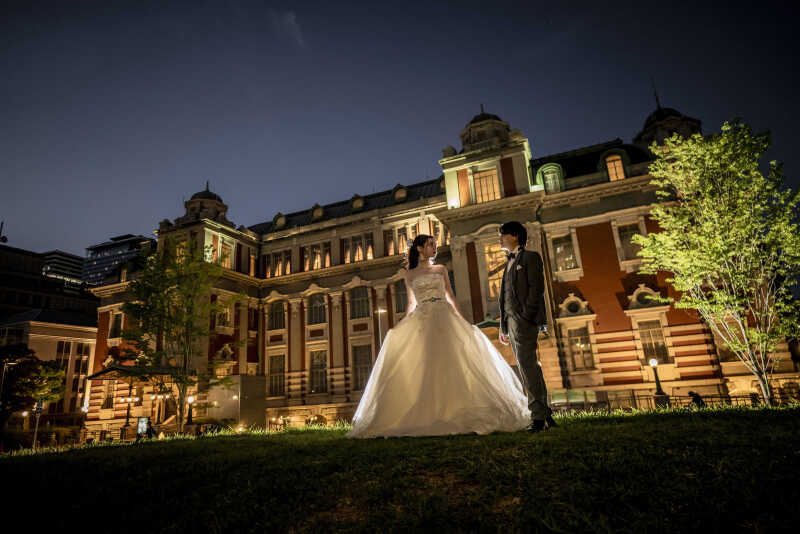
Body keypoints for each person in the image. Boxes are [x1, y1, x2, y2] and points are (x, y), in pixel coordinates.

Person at [347, 234, 531, 438]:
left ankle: (459, 408)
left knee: (454, 361)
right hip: (423, 320)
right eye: (430, 245)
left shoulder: (441, 269)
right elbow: (411, 304)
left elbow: (450, 296)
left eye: (435, 245)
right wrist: (399, 326)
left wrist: (464, 321)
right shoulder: (409, 275)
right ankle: (429, 413)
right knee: (427, 363)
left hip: (445, 316)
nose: (435, 248)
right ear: (419, 248)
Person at [498, 221, 556, 433]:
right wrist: (503, 326)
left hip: (523, 320)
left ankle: (538, 418)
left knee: (528, 367)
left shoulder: (531, 257)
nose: (500, 239)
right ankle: (545, 414)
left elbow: (536, 289)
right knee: (529, 367)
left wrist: (525, 316)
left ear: (514, 236)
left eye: (503, 235)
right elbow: (505, 296)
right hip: (511, 321)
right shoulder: (509, 262)